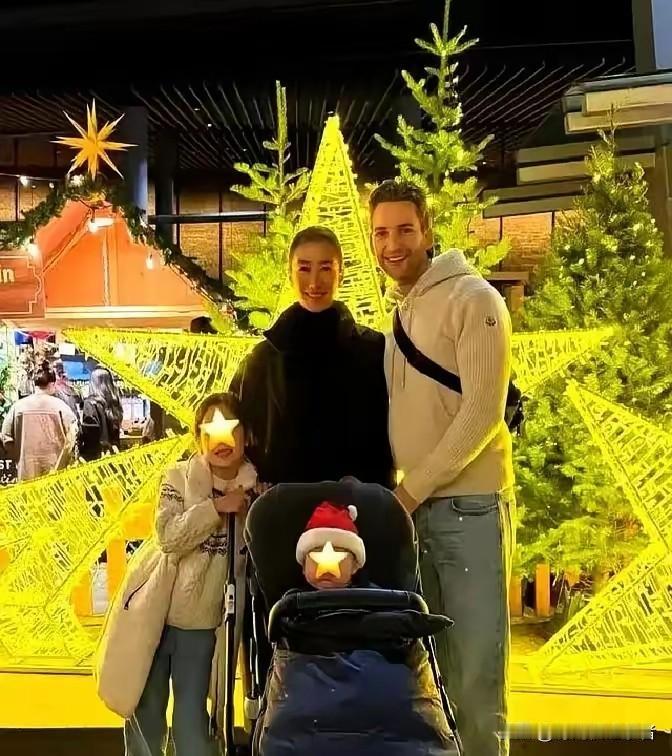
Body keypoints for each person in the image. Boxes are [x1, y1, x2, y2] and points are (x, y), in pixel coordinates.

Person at [369, 180, 516, 756]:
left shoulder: (473, 300)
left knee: (475, 673)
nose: (393, 244)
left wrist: (411, 492)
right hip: (419, 513)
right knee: (431, 678)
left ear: (428, 230)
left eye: (405, 229)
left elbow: (482, 414)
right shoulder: (403, 311)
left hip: (468, 510)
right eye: (382, 232)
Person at [98, 392, 256, 756]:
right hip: (156, 613)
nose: (221, 440)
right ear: (197, 437)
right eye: (209, 430)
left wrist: (246, 509)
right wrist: (216, 508)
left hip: (203, 624)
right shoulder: (177, 478)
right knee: (145, 709)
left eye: (229, 427)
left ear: (246, 435)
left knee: (192, 721)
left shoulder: (255, 493)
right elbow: (168, 537)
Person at [230, 225, 394, 489]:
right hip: (284, 504)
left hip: (356, 504)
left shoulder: (373, 349)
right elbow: (242, 437)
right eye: (304, 268)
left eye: (325, 268)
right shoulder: (263, 359)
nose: (315, 282)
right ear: (290, 273)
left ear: (341, 273)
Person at [1, 363, 77, 481]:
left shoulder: (17, 407)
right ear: (52, 384)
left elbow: (6, 437)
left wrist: (20, 458)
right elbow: (72, 438)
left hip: (27, 473)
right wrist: (63, 463)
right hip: (55, 474)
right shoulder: (61, 407)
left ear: (34, 384)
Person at [295, 500, 366, 590]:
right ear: (304, 567)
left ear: (354, 566)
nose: (327, 564)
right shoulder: (293, 597)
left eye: (338, 551)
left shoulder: (372, 596)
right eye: (317, 551)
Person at [79, 368, 123, 461]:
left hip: (96, 456)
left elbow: (90, 434)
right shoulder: (114, 403)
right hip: (113, 454)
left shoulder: (90, 403)